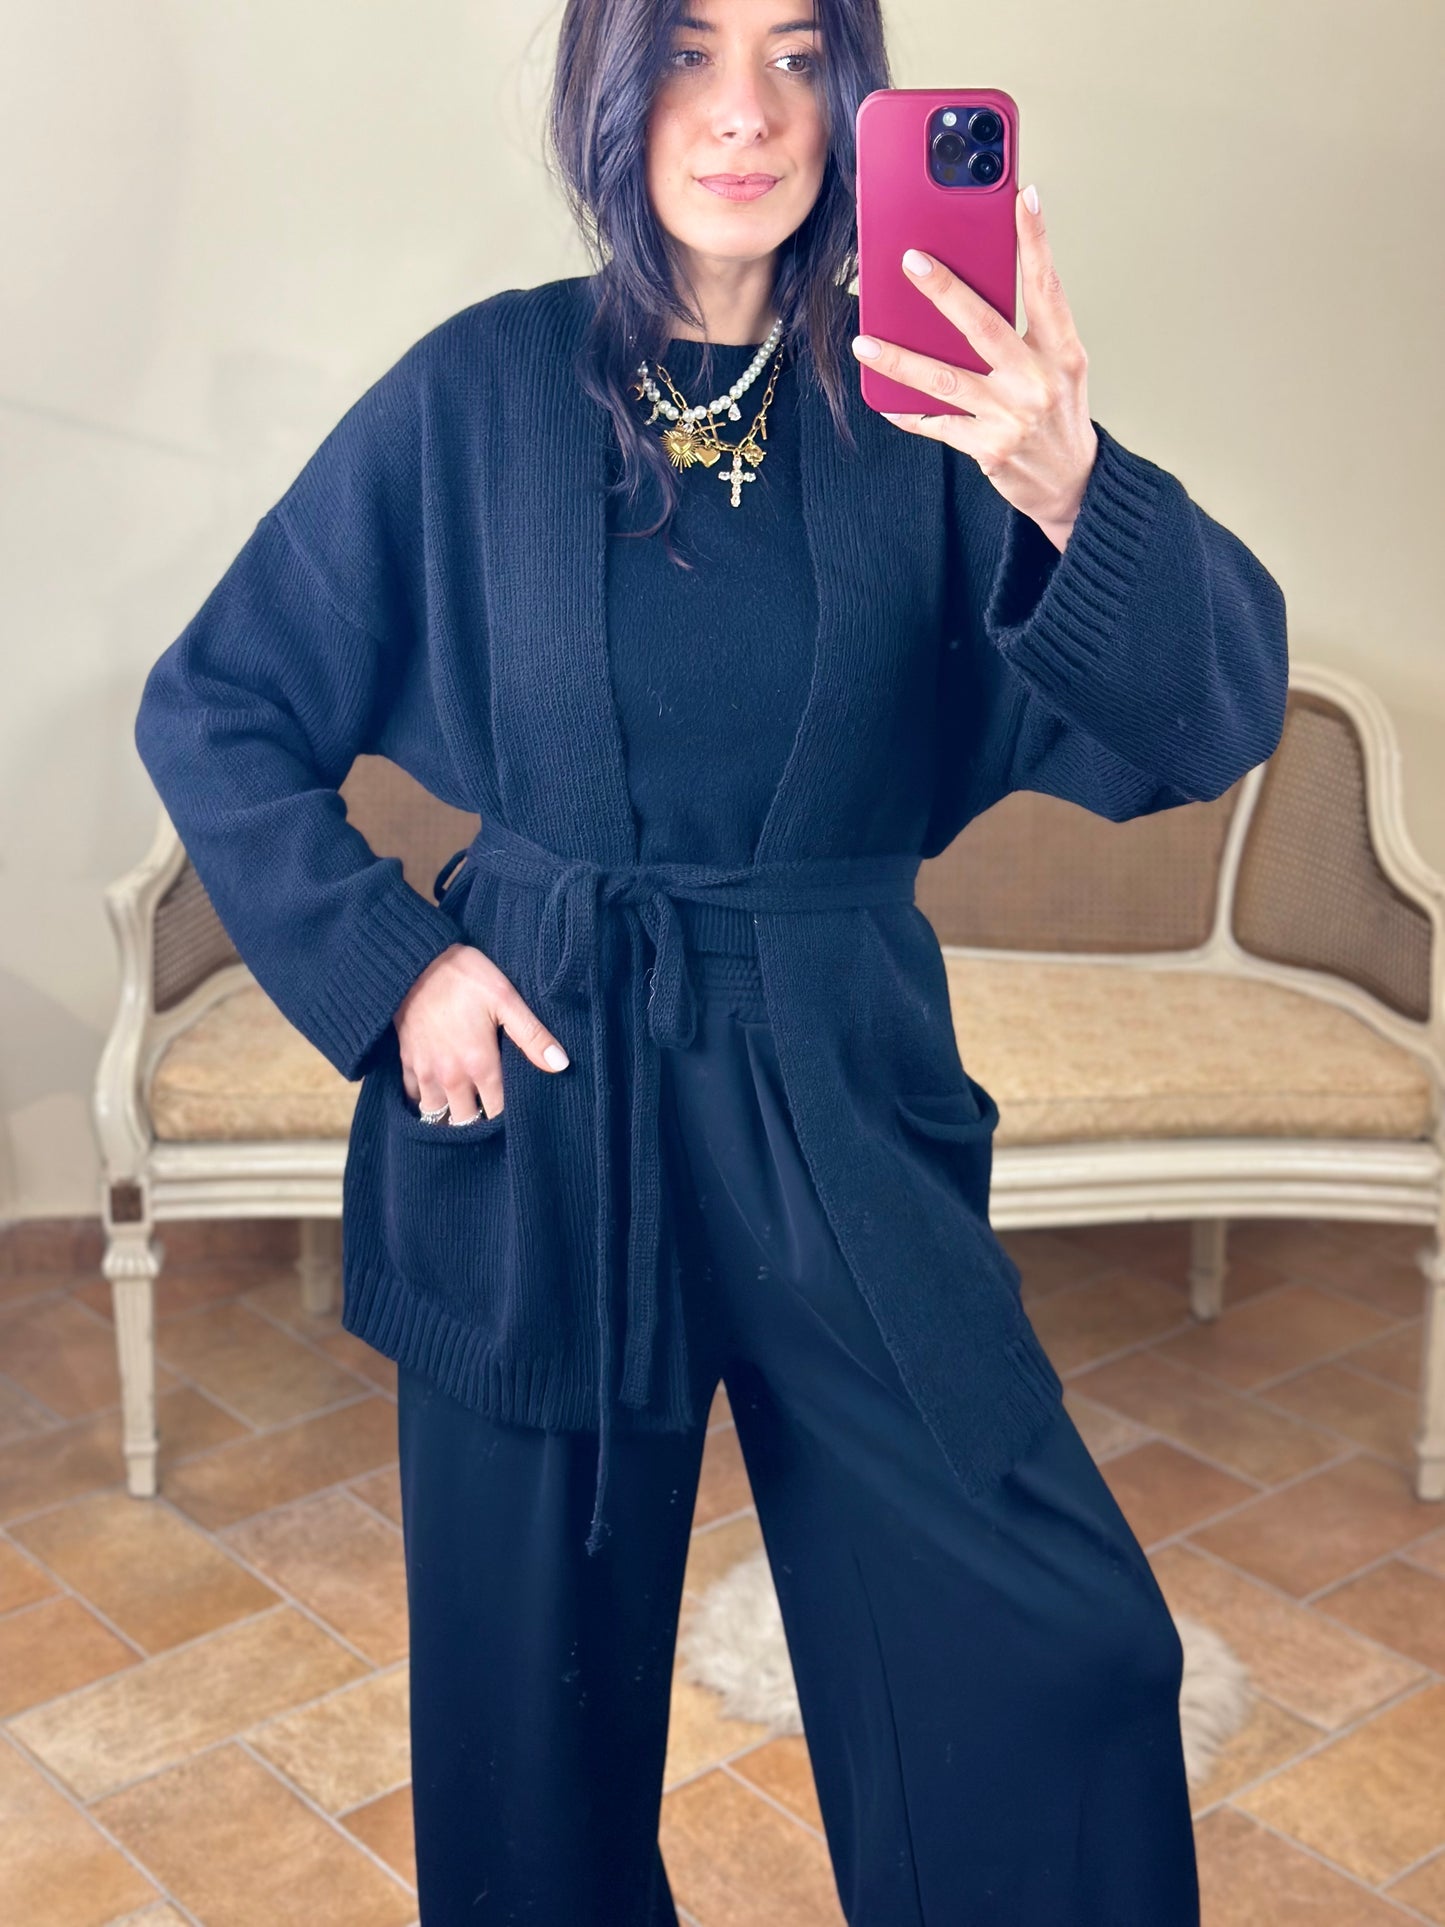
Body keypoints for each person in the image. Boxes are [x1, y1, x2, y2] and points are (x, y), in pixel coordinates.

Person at [133, 1, 1289, 1919]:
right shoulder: (478, 388)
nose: (742, 110)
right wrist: (395, 966)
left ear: (855, 94)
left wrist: (1067, 482)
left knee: (1060, 1647)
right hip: (541, 1095)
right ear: (609, 85)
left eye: (794, 52)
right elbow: (217, 702)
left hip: (836, 1084)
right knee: (528, 1750)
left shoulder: (932, 406)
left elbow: (1211, 718)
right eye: (683, 48)